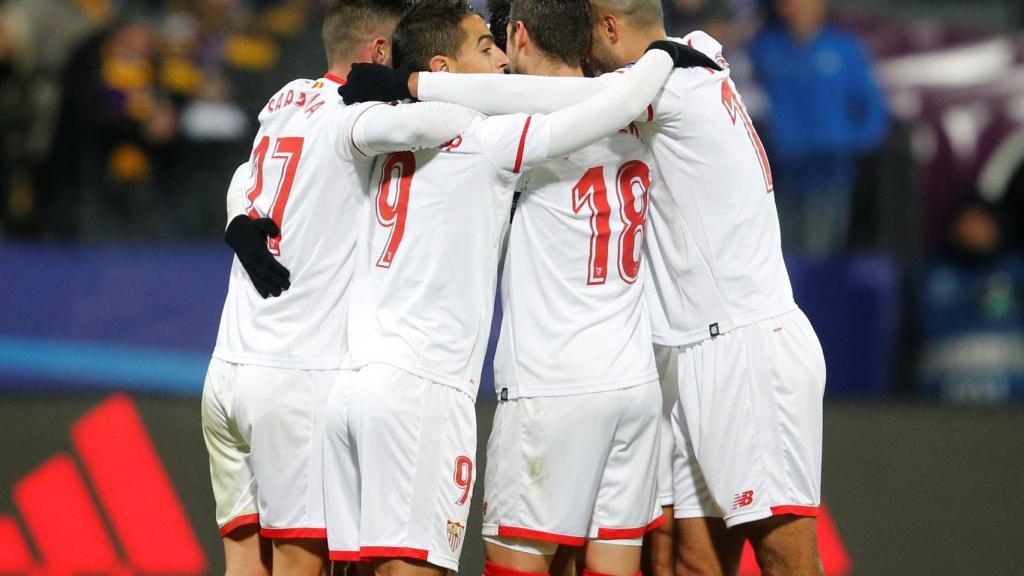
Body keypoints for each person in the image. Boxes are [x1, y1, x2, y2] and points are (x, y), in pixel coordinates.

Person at [342, 1, 828, 574]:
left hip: (732, 348)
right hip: (656, 366)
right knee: (689, 561)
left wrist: (411, 83)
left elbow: (550, 101)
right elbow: (588, 96)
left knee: (785, 555)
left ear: (609, 27)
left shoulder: (608, 103)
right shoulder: (698, 55)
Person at [204, 1, 488, 574]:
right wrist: (423, 85)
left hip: (226, 371)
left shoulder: (284, 98)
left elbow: (244, 175)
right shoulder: (355, 119)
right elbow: (450, 120)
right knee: (299, 565)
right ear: (380, 55)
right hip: (296, 378)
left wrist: (236, 218)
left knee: (242, 561)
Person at [749, 0, 888, 257]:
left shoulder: (844, 48)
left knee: (819, 256)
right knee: (776, 256)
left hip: (830, 175)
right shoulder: (764, 48)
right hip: (778, 174)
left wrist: (845, 145)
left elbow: (873, 112)